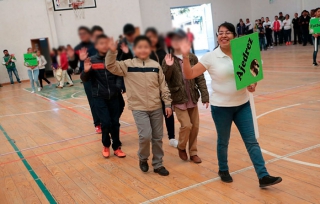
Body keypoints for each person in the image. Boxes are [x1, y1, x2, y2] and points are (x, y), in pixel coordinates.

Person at [179, 22, 282, 188]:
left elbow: (253, 73)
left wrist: (253, 84)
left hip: (242, 104)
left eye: (227, 32)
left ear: (234, 35)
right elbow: (190, 74)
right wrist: (184, 56)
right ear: (217, 36)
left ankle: (263, 176)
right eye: (220, 33)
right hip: (221, 108)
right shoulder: (210, 57)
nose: (223, 35)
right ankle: (223, 169)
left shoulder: (244, 51)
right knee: (223, 141)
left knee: (251, 141)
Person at [106, 36, 172, 176]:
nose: (143, 50)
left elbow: (163, 86)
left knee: (158, 137)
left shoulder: (155, 65)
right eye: (139, 47)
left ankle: (158, 164)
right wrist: (112, 52)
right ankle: (143, 159)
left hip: (156, 107)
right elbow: (110, 66)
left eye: (146, 47)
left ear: (150, 49)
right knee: (145, 136)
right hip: (138, 108)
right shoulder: (127, 65)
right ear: (134, 49)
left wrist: (167, 103)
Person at [162, 29, 209, 163]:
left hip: (192, 96)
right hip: (178, 98)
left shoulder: (192, 57)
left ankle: (193, 152)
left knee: (195, 126)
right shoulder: (168, 58)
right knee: (186, 125)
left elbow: (200, 77)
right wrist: (169, 66)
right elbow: (164, 79)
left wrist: (205, 96)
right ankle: (181, 146)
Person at [81, 34, 126, 158]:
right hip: (99, 97)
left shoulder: (112, 59)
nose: (104, 46)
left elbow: (118, 75)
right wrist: (85, 71)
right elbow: (85, 79)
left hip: (114, 96)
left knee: (115, 123)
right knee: (105, 123)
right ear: (96, 46)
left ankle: (116, 147)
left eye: (106, 43)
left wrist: (118, 87)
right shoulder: (92, 61)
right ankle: (106, 145)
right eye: (101, 43)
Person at [145, 27, 178, 147]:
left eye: (153, 37)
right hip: (151, 90)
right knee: (154, 115)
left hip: (164, 88)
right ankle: (154, 136)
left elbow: (167, 71)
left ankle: (172, 137)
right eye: (148, 37)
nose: (151, 39)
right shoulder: (144, 54)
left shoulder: (162, 53)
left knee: (168, 112)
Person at [75, 26, 101, 134]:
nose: (82, 35)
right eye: (80, 34)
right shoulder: (77, 48)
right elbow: (73, 65)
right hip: (87, 78)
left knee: (104, 100)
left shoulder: (96, 45)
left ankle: (107, 121)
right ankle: (98, 124)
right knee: (93, 101)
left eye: (84, 33)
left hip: (100, 77)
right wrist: (80, 60)